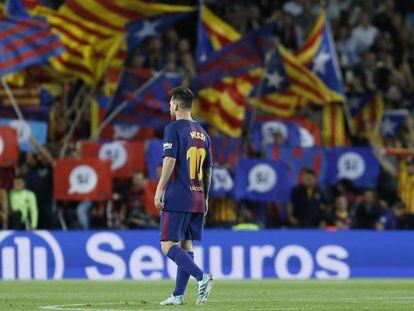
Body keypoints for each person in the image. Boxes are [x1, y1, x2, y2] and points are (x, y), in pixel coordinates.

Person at [154, 87, 214, 305]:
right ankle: (178, 295)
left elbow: (169, 160)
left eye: (170, 104)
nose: (170, 107)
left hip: (179, 194)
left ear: (176, 105)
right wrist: (205, 197)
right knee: (186, 246)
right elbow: (208, 169)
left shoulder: (173, 128)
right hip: (197, 196)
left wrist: (160, 188)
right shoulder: (203, 133)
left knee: (167, 245)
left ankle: (202, 277)